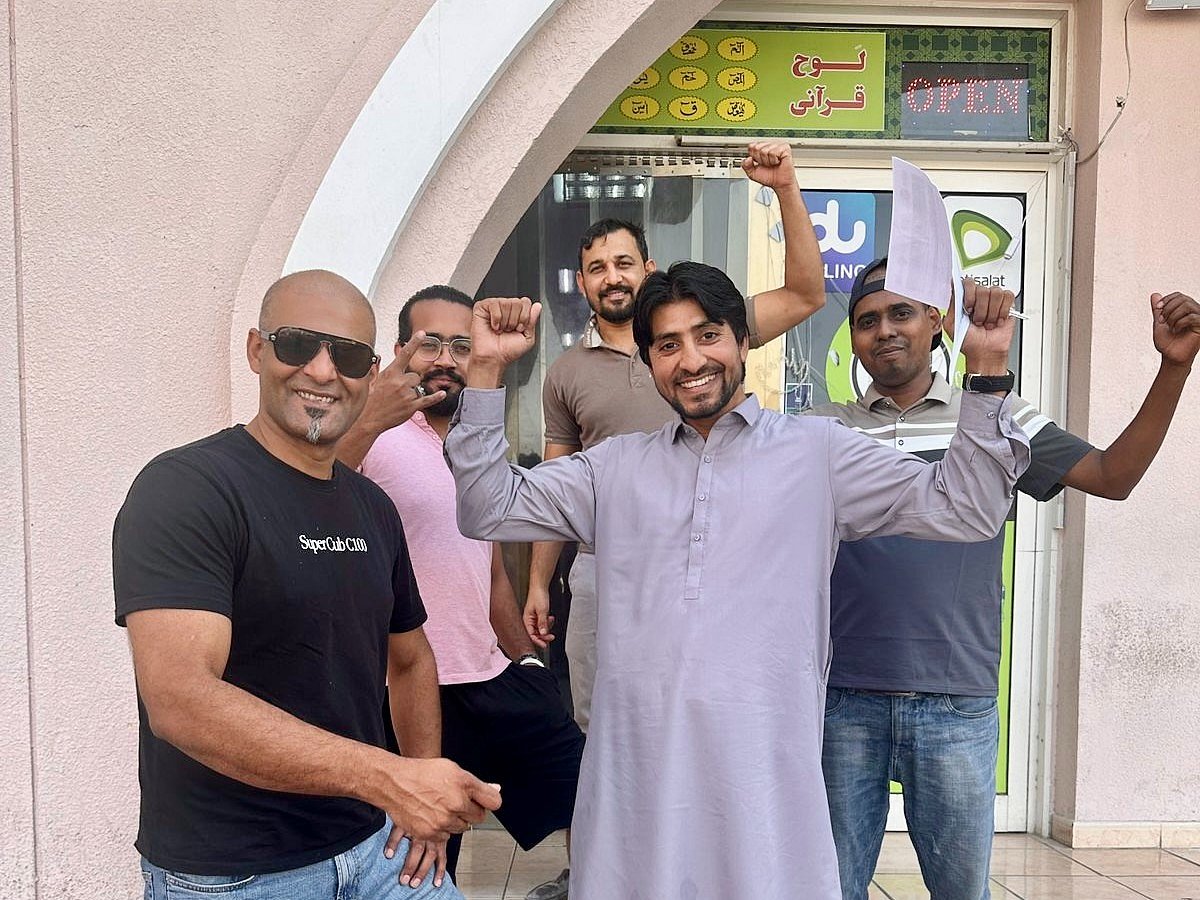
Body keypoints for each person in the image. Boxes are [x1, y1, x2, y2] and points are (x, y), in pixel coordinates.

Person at [443, 263, 1032, 899]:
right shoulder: (612, 469)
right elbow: (487, 507)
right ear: (648, 363)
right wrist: (485, 373)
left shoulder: (818, 452)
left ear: (743, 342)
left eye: (708, 335)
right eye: (668, 345)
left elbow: (966, 507)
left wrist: (989, 370)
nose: (691, 360)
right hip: (638, 772)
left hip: (763, 774)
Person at [811, 260, 1200, 900]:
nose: (884, 330)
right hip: (842, 699)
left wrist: (1174, 369)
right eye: (866, 320)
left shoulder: (996, 416)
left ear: (936, 322)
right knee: (826, 888)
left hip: (955, 702)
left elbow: (1114, 476)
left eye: (902, 312)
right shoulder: (826, 430)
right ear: (851, 338)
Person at [112, 270, 501, 900]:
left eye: (346, 355)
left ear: (370, 372)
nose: (322, 371)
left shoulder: (372, 507)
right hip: (235, 874)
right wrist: (388, 778)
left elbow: (409, 660)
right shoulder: (188, 488)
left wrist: (420, 790)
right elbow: (180, 698)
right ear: (256, 350)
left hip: (376, 852)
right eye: (298, 344)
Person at [524, 141, 827, 742]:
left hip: (710, 563)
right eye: (596, 268)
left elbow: (804, 295)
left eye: (623, 262)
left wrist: (787, 191)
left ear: (648, 268)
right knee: (600, 726)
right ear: (582, 283)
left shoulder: (705, 337)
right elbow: (553, 491)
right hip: (603, 566)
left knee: (704, 723)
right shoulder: (565, 373)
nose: (612, 277)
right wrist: (538, 583)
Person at [337, 285, 585, 886]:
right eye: (430, 344)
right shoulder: (373, 434)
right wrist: (370, 415)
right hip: (402, 686)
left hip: (490, 676)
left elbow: (491, 564)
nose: (446, 358)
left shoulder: (477, 442)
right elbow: (314, 493)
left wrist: (523, 660)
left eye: (460, 344)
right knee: (421, 856)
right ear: (398, 352)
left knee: (591, 793)